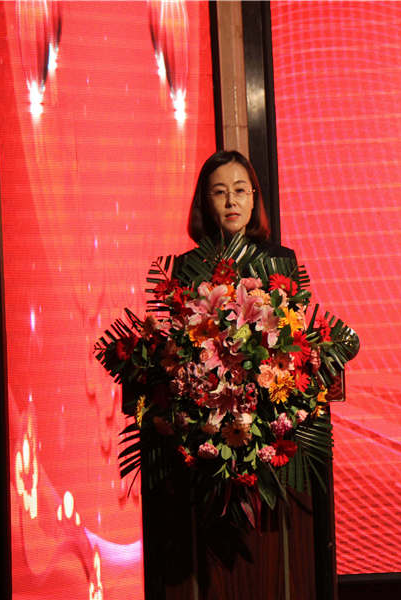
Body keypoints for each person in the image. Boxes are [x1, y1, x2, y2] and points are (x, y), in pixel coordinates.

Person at [141, 150, 316, 600]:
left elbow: (300, 341)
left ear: (254, 198)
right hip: (203, 441)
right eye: (220, 192)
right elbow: (173, 349)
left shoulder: (281, 261)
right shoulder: (184, 269)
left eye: (240, 190)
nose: (231, 201)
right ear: (205, 202)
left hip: (271, 434)